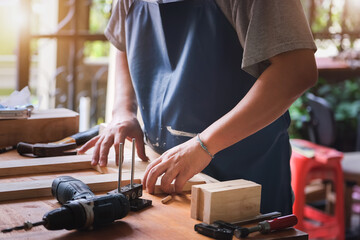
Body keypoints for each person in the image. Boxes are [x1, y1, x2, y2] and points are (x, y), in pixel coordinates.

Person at [79, 0, 318, 215]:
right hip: (166, 177)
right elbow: (122, 43)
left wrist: (205, 144)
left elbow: (296, 70)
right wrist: (123, 111)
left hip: (245, 177)